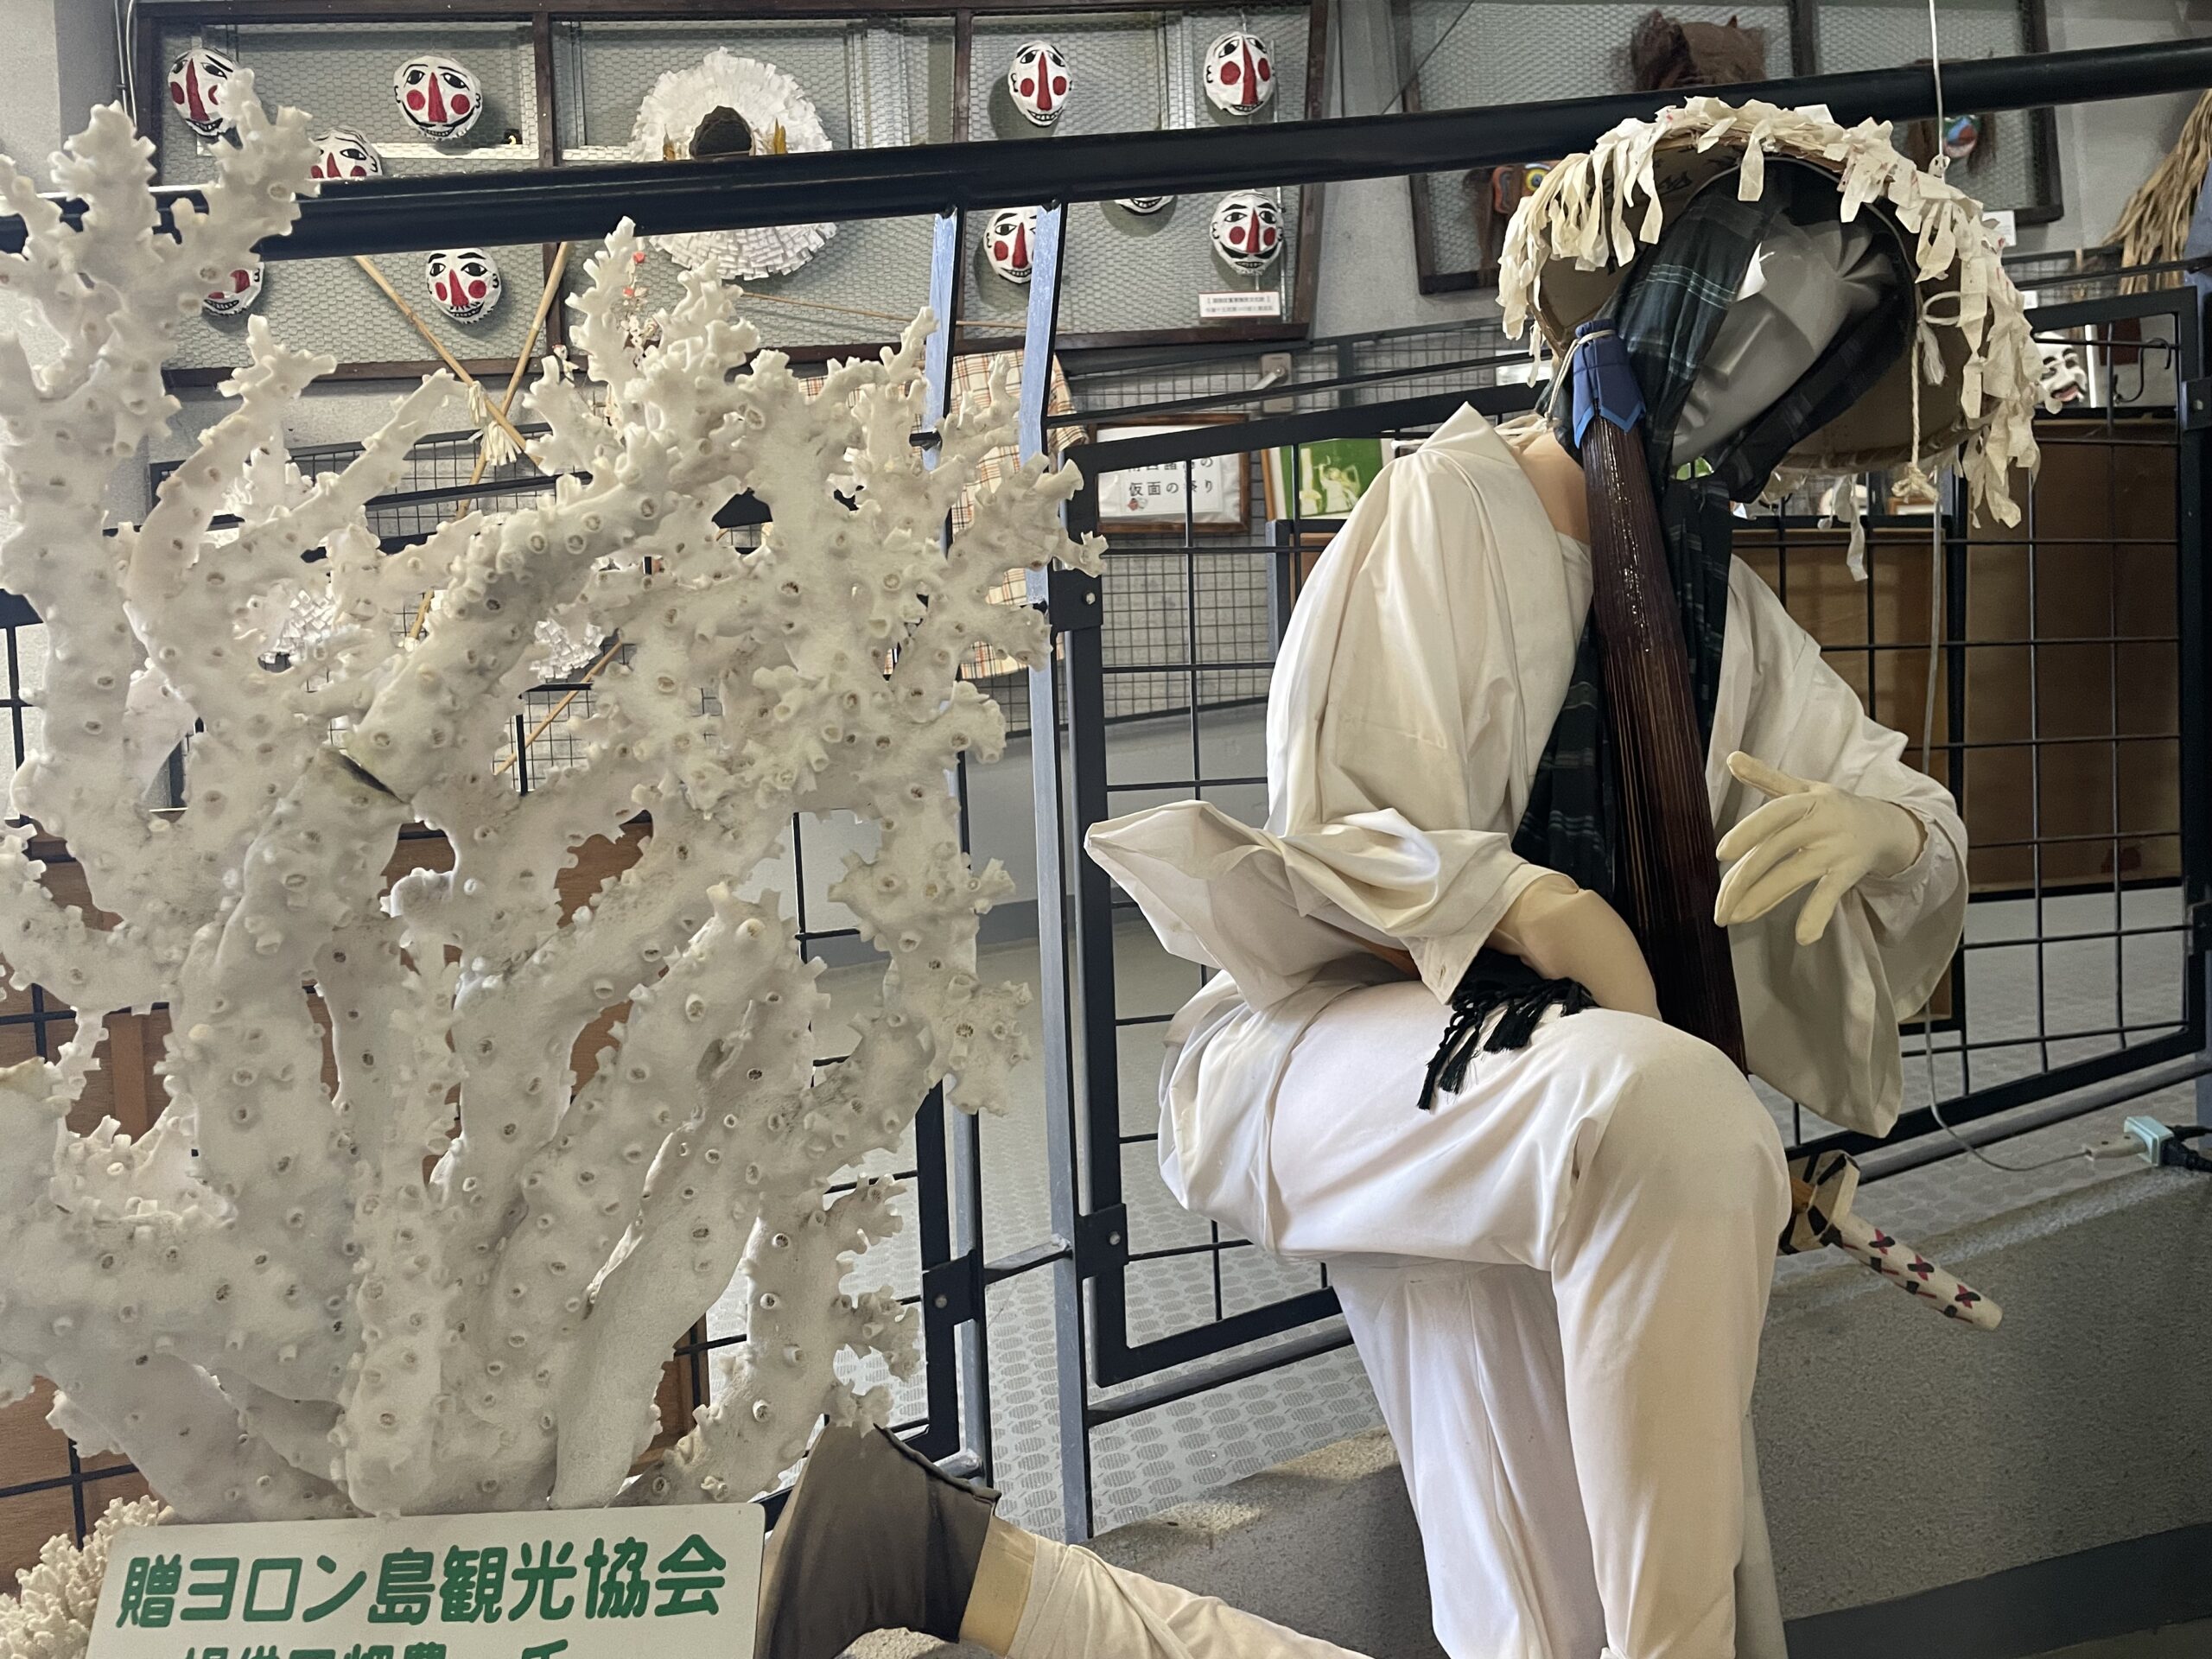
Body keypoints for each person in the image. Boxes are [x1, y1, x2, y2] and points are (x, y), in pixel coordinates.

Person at [755, 97, 2043, 1659]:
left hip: (1572, 1105)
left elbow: (1905, 804)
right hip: (1377, 1049)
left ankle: (969, 1575)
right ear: (1671, 275)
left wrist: (1885, 833)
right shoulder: (1452, 506)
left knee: (1553, 1619)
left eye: (1807, 346)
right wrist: (1548, 910)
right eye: (1744, 300)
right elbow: (1346, 847)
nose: (1752, 360)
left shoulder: (1723, 608)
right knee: (1672, 1139)